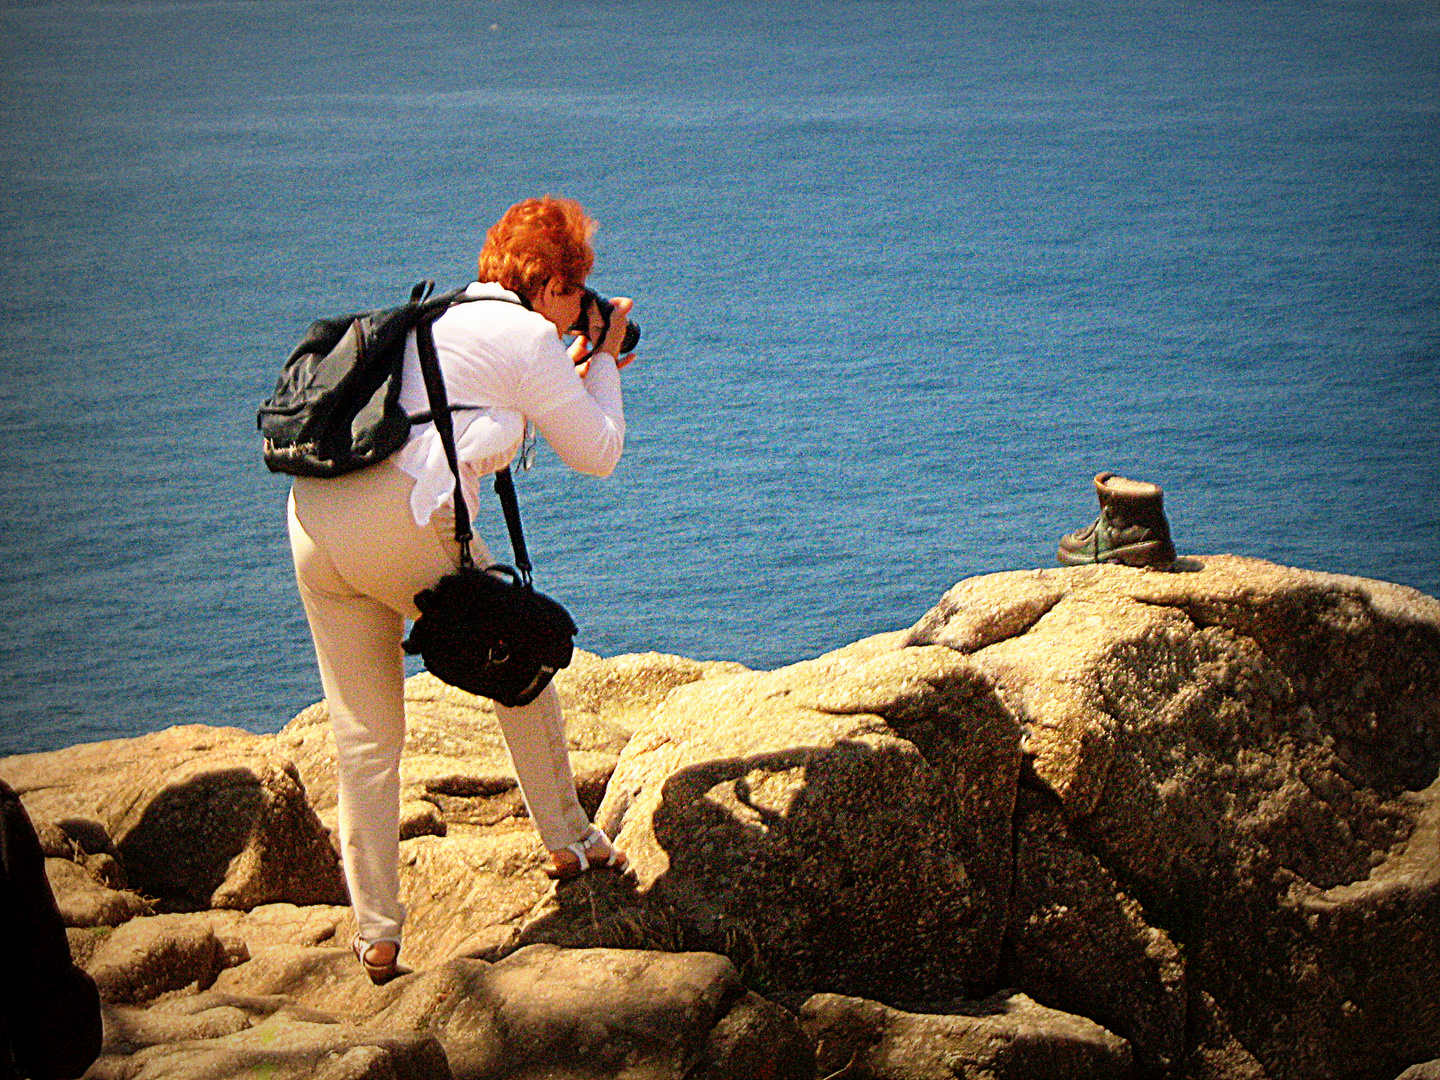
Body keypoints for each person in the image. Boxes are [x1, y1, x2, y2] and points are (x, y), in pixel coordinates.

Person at [286, 196, 633, 984]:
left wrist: (565, 374)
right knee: (521, 651)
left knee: (364, 740)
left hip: (316, 521)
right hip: (402, 522)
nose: (582, 308)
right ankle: (571, 839)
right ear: (551, 285)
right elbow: (601, 452)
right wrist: (605, 356)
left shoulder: (435, 321)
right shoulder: (527, 337)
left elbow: (473, 417)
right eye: (579, 293)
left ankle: (375, 935)